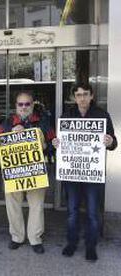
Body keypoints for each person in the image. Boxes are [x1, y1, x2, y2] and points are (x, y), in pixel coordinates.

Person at [52, 83, 117, 261]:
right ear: (74, 97)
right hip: (72, 173)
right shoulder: (66, 116)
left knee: (92, 212)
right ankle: (71, 243)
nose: (82, 98)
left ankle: (91, 246)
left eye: (85, 94)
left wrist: (110, 141)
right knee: (72, 211)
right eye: (78, 95)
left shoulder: (102, 116)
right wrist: (56, 144)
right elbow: (60, 144)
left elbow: (113, 145)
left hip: (92, 174)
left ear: (91, 96)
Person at [0, 91, 55, 254]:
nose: (23, 107)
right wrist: (11, 133)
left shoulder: (43, 122)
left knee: (36, 205)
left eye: (27, 104)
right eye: (20, 104)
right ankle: (17, 237)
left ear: (32, 105)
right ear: (16, 106)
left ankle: (35, 238)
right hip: (14, 171)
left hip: (35, 171)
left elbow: (52, 144)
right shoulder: (7, 122)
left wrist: (38, 139)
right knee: (12, 205)